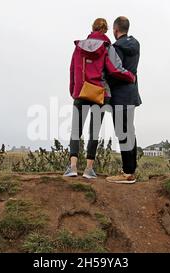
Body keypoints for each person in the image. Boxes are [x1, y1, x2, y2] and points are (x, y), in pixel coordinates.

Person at [64, 18, 136, 179]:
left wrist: (74, 91)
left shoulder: (79, 48)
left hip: (81, 92)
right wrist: (130, 76)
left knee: (76, 129)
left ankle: (73, 167)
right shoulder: (107, 47)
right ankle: (89, 169)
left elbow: (72, 71)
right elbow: (115, 69)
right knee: (94, 131)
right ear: (105, 30)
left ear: (92, 28)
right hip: (100, 94)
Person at [106, 16, 142, 184]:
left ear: (115, 29)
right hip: (132, 94)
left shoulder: (117, 47)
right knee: (129, 131)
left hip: (120, 95)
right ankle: (131, 170)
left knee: (122, 132)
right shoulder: (136, 44)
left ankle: (127, 173)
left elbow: (115, 71)